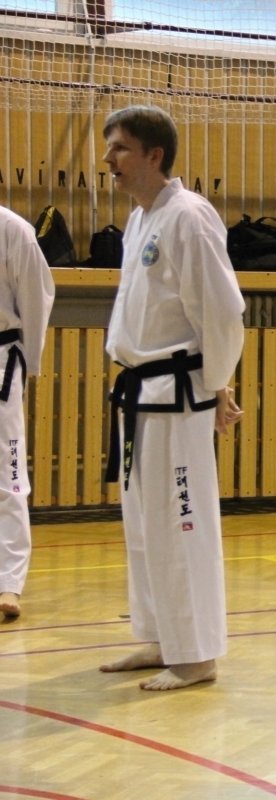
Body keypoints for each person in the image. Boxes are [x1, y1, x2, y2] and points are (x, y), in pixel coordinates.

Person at [96, 105, 246, 690]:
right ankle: (163, 637)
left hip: (179, 394)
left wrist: (217, 385)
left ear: (154, 154)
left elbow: (221, 311)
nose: (108, 159)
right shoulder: (141, 218)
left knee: (184, 524)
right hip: (141, 390)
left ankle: (197, 654)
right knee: (144, 523)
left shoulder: (189, 216)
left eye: (119, 148)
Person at [0, 205, 55, 620]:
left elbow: (37, 297)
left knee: (8, 473)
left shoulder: (13, 230)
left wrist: (28, 363)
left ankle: (8, 582)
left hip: (1, 358)